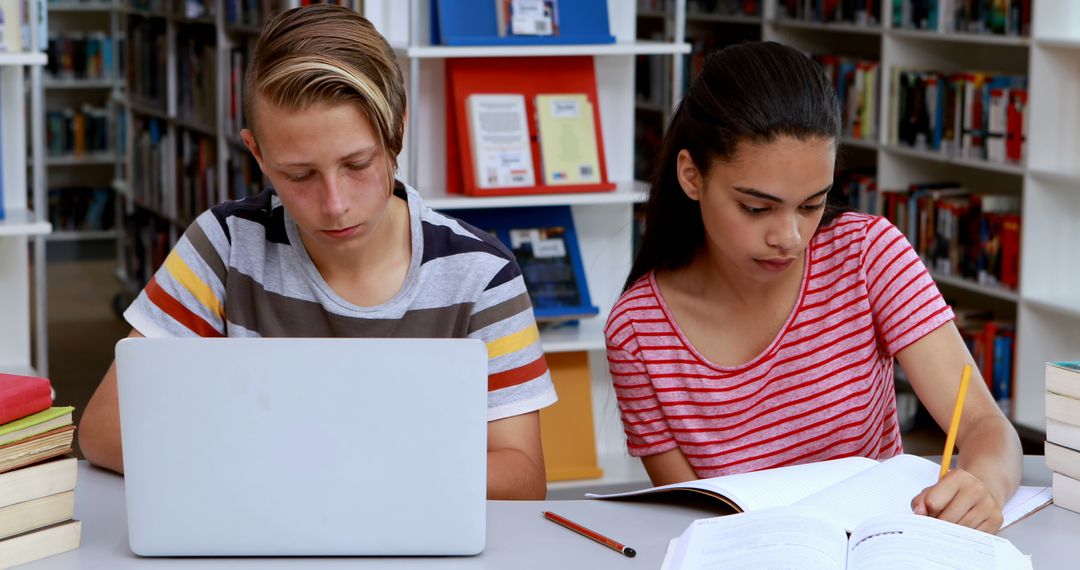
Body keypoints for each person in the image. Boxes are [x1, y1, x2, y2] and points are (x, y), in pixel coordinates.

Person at [79, 5, 556, 500]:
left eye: (357, 163)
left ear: (397, 129)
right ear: (257, 153)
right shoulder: (226, 244)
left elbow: (522, 478)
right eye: (299, 175)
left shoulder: (481, 273)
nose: (335, 205)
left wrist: (311, 463)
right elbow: (105, 430)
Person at [605, 42, 1021, 532]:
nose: (790, 238)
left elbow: (985, 426)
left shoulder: (867, 254)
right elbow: (695, 520)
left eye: (811, 205)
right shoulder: (638, 331)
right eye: (756, 208)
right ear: (691, 176)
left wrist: (983, 487)